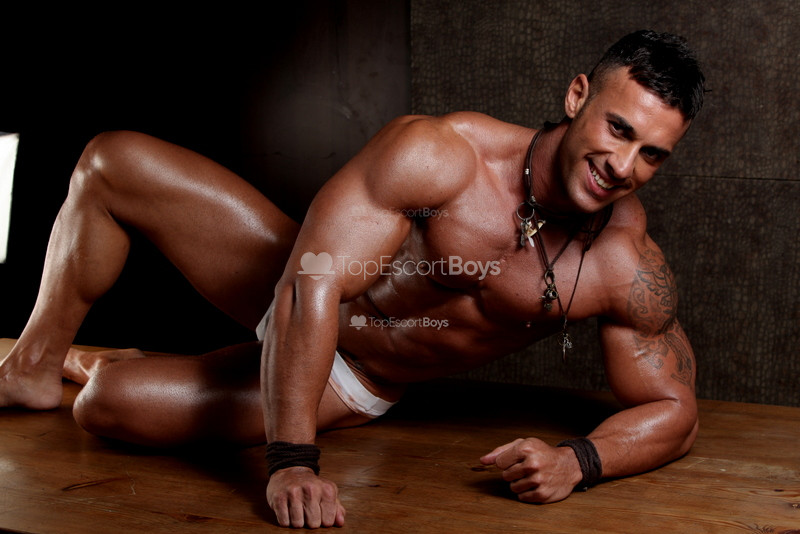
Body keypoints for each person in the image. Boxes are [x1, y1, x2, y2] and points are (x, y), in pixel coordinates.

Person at [0, 30, 704, 529]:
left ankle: (96, 366)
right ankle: (33, 364)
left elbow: (675, 411)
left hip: (355, 372)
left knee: (107, 404)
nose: (624, 166)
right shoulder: (443, 155)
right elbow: (308, 284)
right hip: (300, 284)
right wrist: (292, 460)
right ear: (578, 96)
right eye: (618, 129)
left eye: (652, 155)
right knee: (112, 160)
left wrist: (579, 461)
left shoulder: (623, 263)